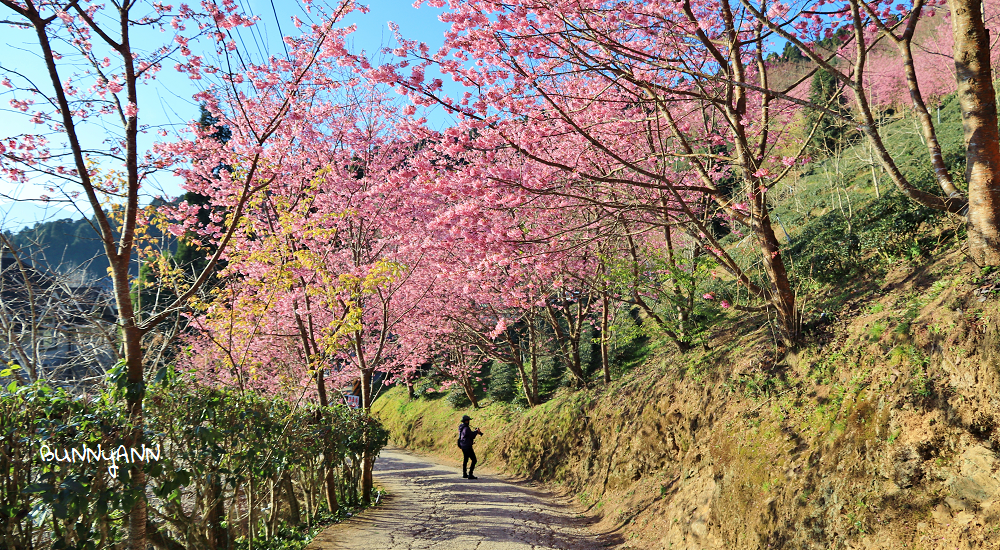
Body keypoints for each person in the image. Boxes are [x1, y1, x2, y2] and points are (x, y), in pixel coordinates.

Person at [457, 414, 483, 479]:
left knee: (466, 459)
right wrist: (476, 432)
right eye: (468, 420)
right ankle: (470, 474)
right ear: (466, 421)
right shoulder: (466, 428)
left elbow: (468, 435)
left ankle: (464, 474)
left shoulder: (461, 427)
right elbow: (472, 436)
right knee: (474, 460)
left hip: (463, 445)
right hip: (467, 446)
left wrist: (475, 432)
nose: (469, 422)